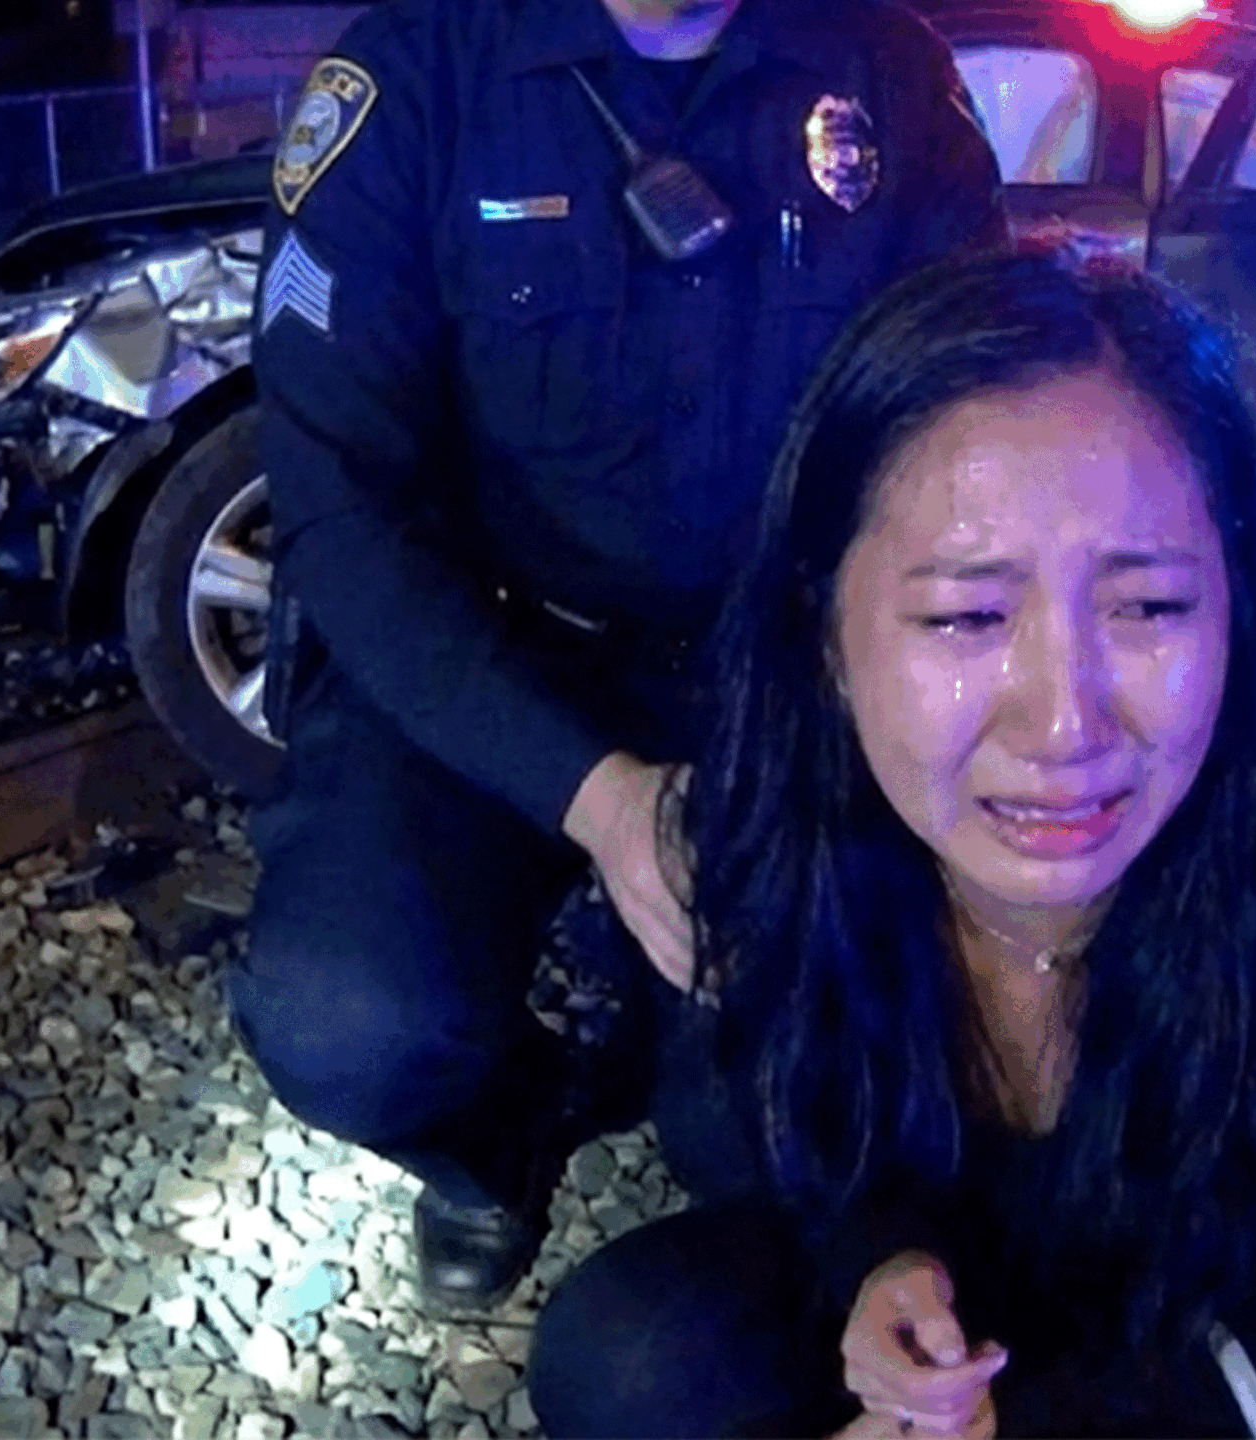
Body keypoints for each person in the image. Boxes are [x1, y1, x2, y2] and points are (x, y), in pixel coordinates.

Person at [524, 248, 1256, 1437]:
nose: (1065, 723)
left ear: (1239, 608)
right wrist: (880, 1264)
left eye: (1148, 607)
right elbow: (780, 1126)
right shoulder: (762, 842)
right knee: (630, 1355)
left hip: (1206, 1380)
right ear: (824, 631)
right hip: (946, 1342)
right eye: (967, 616)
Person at [236, 0, 1005, 1310]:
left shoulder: (886, 67)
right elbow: (339, 507)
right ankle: (501, 1138)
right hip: (493, 654)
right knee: (347, 1026)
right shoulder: (414, 78)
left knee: (759, 1134)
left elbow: (974, 409)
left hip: (776, 677)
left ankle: (670, 1062)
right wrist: (603, 800)